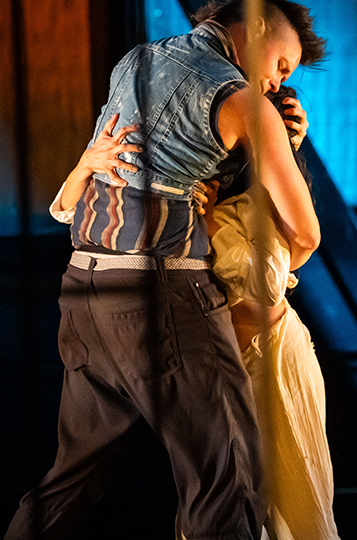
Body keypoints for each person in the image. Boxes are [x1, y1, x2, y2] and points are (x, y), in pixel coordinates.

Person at [4, 0, 326, 540]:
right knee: (227, 477)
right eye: (280, 65)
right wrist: (273, 270)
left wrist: (270, 145)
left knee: (71, 478)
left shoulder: (136, 62)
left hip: (83, 287)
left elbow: (85, 194)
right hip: (162, 295)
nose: (277, 82)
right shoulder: (243, 101)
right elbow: (304, 234)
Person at [50, 86, 341, 540]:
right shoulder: (178, 197)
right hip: (210, 364)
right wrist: (86, 164)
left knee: (296, 503)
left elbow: (264, 280)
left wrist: (208, 221)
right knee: (218, 503)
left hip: (272, 360)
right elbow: (72, 209)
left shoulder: (257, 201)